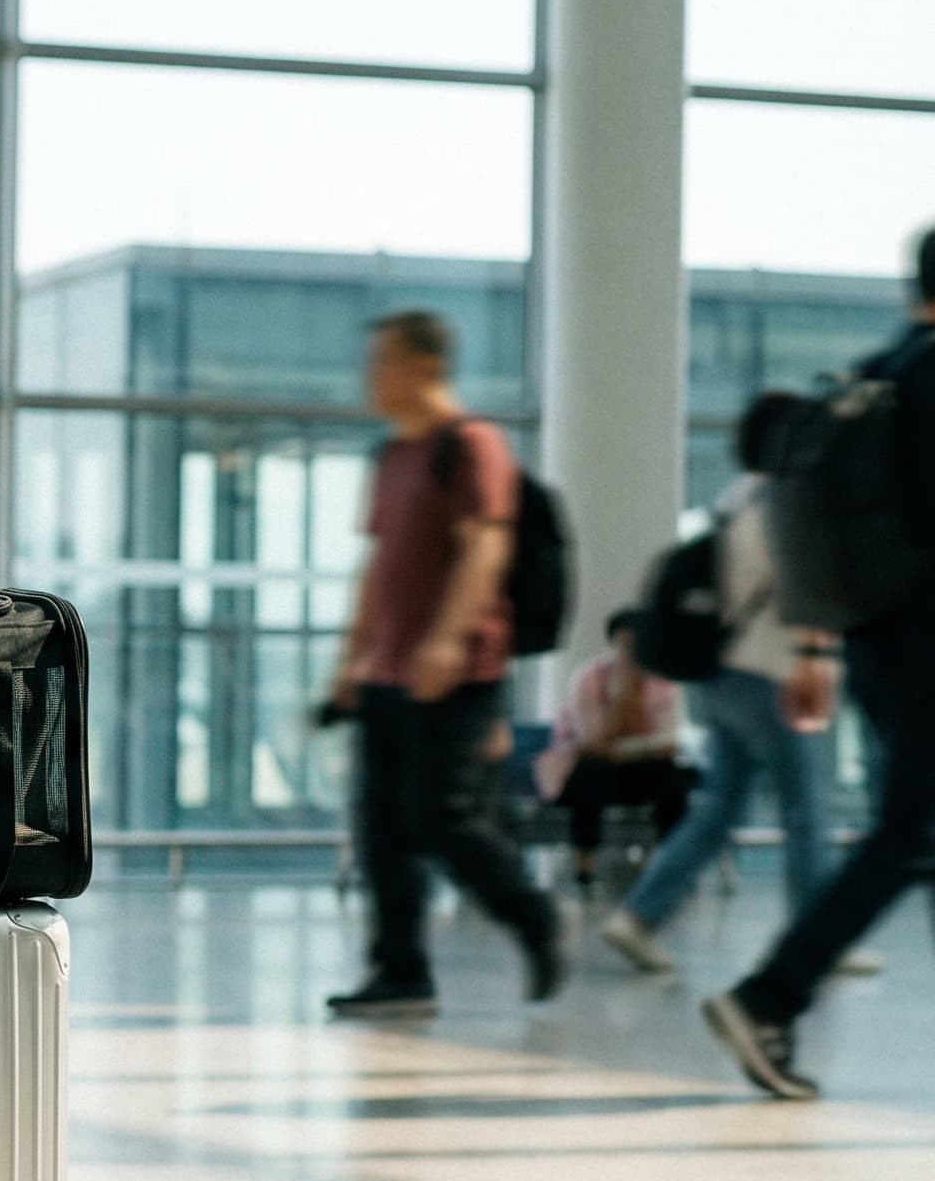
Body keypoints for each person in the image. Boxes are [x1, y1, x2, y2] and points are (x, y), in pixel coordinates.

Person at [705, 221, 935, 1098]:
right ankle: (769, 997)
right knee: (911, 832)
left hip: (877, 642)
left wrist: (815, 643)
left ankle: (772, 997)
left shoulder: (877, 370)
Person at [325, 309, 564, 1019]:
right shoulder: (392, 455)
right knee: (380, 830)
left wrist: (449, 640)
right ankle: (400, 972)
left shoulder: (471, 444)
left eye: (384, 362)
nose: (371, 377)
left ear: (425, 365)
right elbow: (377, 565)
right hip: (386, 674)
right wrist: (351, 657)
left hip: (457, 674)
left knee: (442, 821)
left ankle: (534, 917)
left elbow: (486, 546)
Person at [599, 394, 875, 977]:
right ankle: (816, 943)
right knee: (807, 811)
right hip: (773, 676)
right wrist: (813, 660)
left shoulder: (736, 498)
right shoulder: (787, 502)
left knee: (719, 806)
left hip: (721, 674)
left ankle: (640, 915)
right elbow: (804, 589)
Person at [536, 609, 694, 893]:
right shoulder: (589, 678)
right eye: (625, 643)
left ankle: (664, 865)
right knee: (589, 775)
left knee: (672, 778)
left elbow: (668, 741)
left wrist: (626, 747)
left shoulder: (662, 681)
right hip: (599, 766)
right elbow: (591, 740)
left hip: (644, 768)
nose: (631, 652)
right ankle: (585, 865)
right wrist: (620, 698)